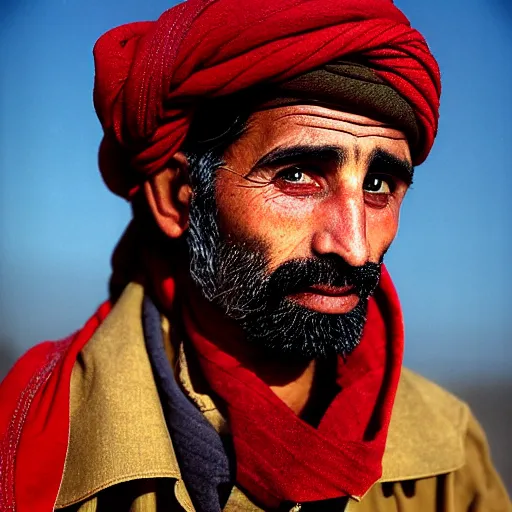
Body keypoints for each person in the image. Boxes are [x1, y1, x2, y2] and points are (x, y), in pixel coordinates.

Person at [0, 0, 510, 510]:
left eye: (378, 185)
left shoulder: (450, 458)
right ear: (176, 195)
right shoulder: (29, 437)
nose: (355, 248)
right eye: (297, 176)